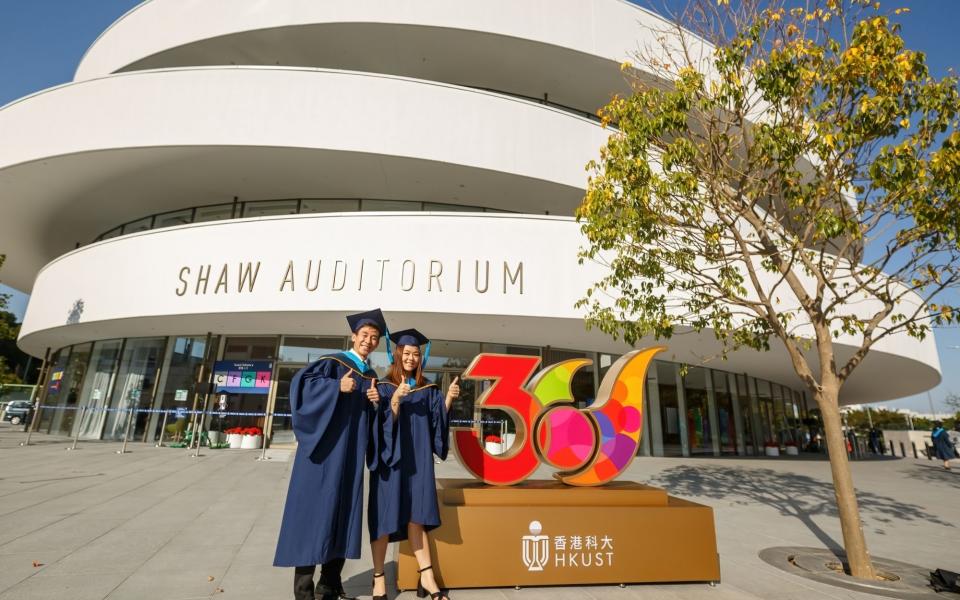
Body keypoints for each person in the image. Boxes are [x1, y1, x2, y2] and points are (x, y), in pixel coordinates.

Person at [274, 309, 389, 600]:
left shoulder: (371, 375)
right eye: (364, 335)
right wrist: (335, 386)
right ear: (353, 337)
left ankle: (329, 584)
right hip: (323, 456)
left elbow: (374, 421)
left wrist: (376, 403)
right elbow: (301, 387)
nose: (369, 341)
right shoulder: (332, 363)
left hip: (350, 458)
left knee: (343, 516)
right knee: (314, 515)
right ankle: (303, 590)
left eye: (374, 338)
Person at [368, 329, 459, 600]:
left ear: (421, 358)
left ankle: (427, 578)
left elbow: (436, 427)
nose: (410, 357)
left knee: (416, 516)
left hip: (418, 463)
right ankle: (378, 579)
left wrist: (449, 399)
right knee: (384, 518)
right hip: (390, 463)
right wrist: (395, 401)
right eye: (406, 353)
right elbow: (375, 428)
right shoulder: (383, 387)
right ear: (397, 356)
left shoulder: (428, 389)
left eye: (415, 354)